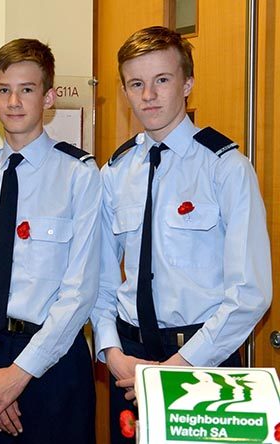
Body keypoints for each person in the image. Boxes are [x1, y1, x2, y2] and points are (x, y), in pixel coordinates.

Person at [90, 26, 272, 444]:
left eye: (162, 80)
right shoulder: (114, 174)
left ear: (187, 83)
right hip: (130, 365)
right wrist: (111, 353)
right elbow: (98, 279)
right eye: (136, 84)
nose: (148, 95)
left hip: (202, 364)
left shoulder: (225, 167)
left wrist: (179, 366)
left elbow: (251, 292)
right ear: (124, 91)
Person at [0, 38, 100, 443]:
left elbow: (80, 290)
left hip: (52, 363)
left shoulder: (78, 174)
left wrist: (19, 374)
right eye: (4, 90)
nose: (14, 101)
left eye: (27, 89)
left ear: (49, 98)